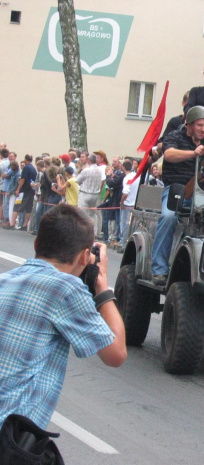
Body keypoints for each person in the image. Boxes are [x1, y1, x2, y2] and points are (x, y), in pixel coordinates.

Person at [0, 204, 126, 428]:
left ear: (36, 243)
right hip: (9, 436)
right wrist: (103, 285)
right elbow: (115, 354)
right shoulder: (65, 288)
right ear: (85, 256)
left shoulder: (4, 279)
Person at [151, 106, 204, 286]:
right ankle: (159, 269)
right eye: (199, 125)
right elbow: (168, 155)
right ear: (189, 125)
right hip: (176, 190)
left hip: (201, 192)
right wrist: (194, 153)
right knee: (168, 217)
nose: (203, 129)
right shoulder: (175, 137)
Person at [76, 154, 102, 235]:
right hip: (95, 194)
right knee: (92, 214)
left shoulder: (86, 170)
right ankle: (93, 232)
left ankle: (82, 232)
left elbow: (78, 180)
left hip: (85, 193)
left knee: (82, 213)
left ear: (89, 160)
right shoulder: (99, 170)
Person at [118, 160, 139, 252]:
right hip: (135, 205)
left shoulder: (127, 178)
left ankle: (124, 246)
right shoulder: (137, 176)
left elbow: (125, 193)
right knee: (134, 226)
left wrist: (121, 203)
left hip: (127, 205)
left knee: (125, 225)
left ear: (123, 167)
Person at [13, 154, 37, 231]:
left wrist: (18, 189)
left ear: (26, 159)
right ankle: (25, 224)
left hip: (25, 190)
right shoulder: (33, 168)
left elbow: (22, 179)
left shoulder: (26, 168)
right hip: (31, 190)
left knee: (19, 206)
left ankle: (16, 223)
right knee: (28, 207)